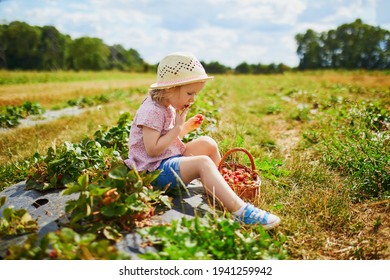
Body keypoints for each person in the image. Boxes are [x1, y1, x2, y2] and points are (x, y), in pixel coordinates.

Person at [124, 52, 280, 229]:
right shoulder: (152, 110)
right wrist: (177, 128)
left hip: (165, 159)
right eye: (190, 93)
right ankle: (241, 212)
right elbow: (152, 150)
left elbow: (165, 140)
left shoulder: (167, 105)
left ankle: (224, 188)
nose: (193, 99)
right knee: (203, 163)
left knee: (208, 143)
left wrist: (184, 128)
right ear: (169, 89)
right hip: (153, 171)